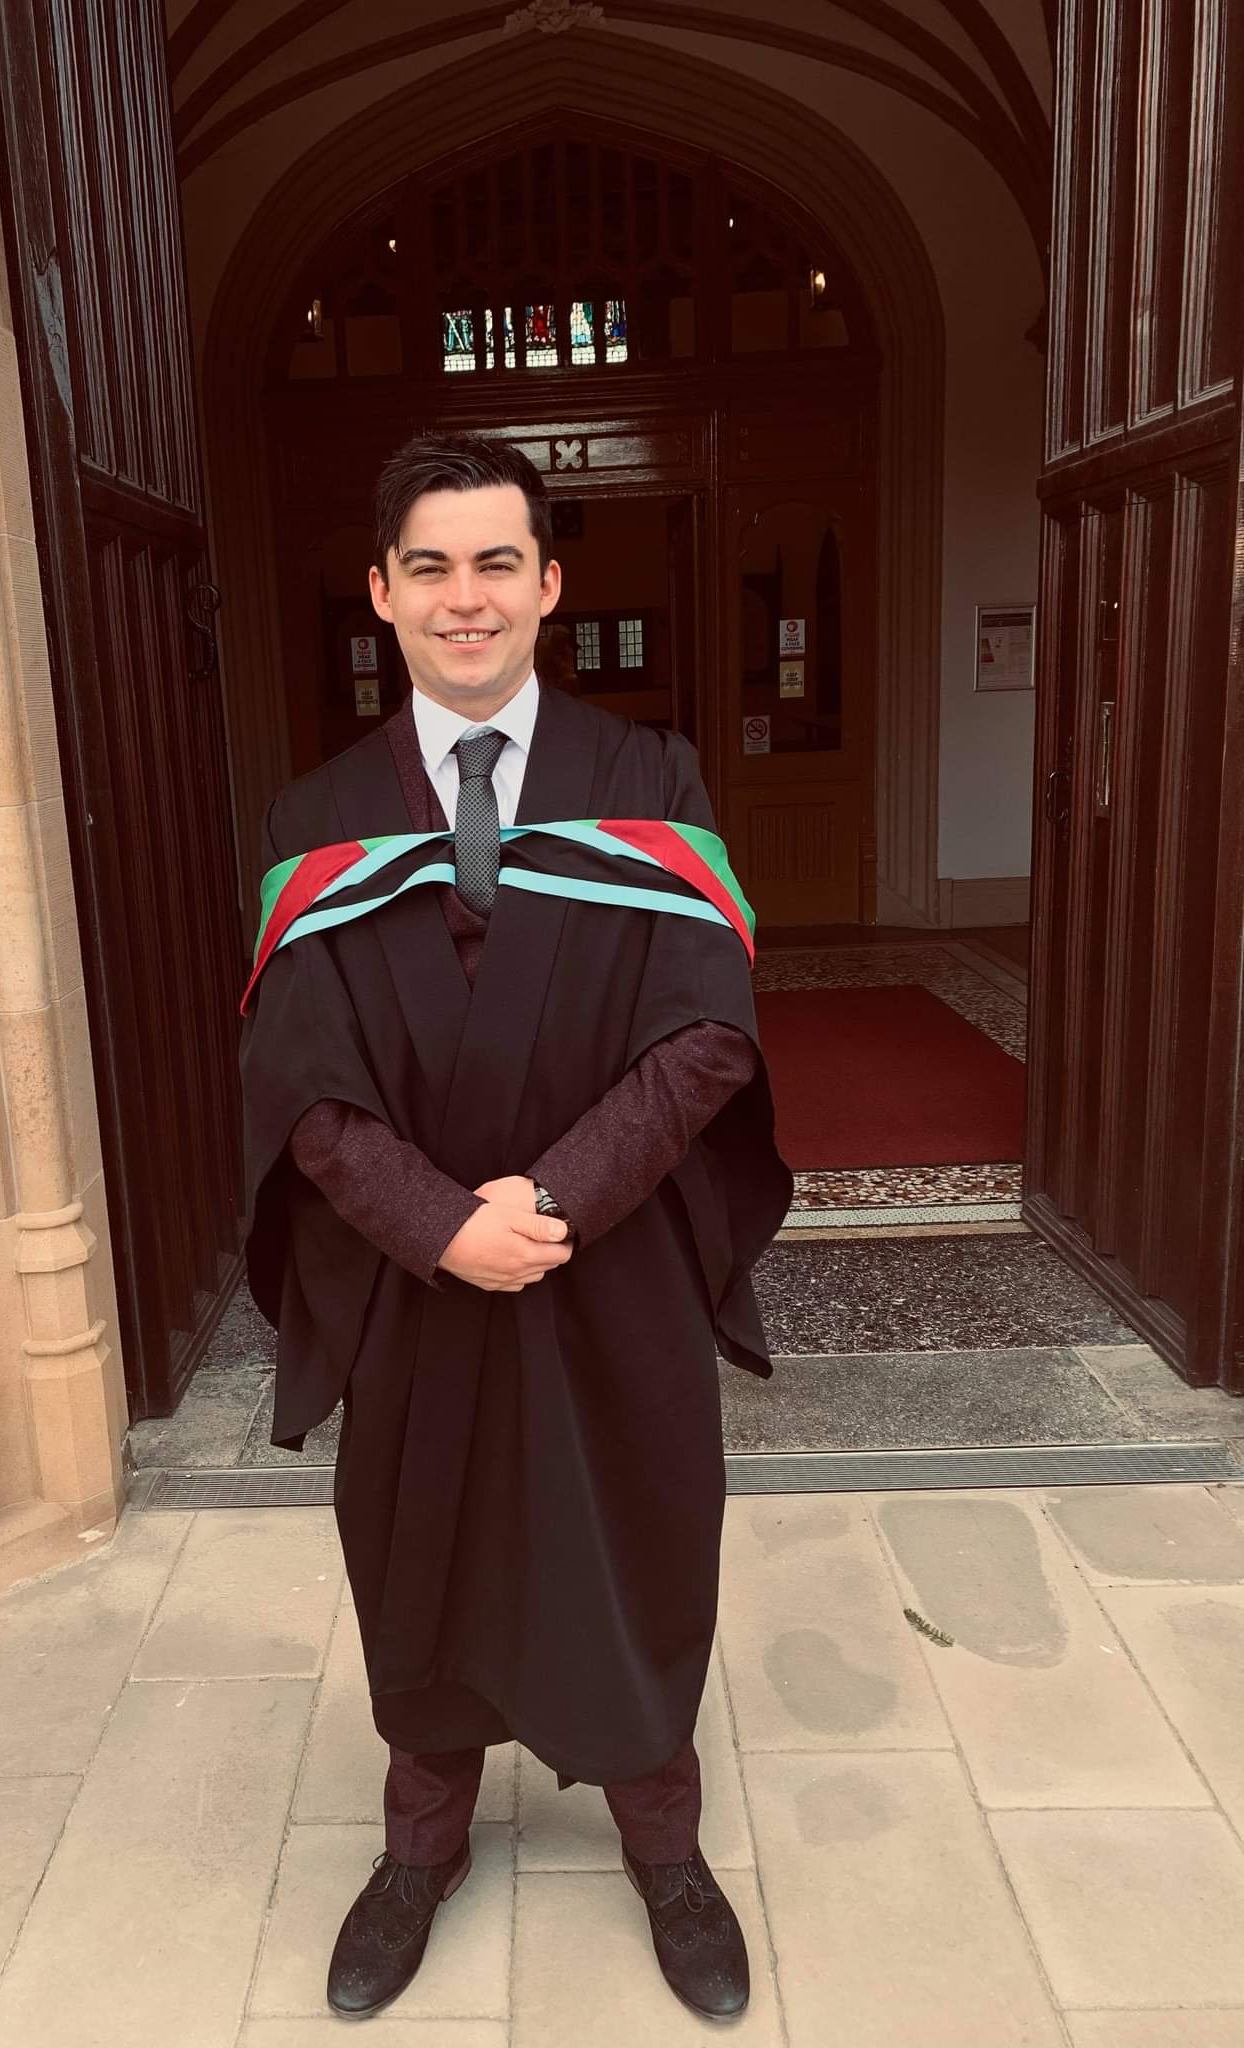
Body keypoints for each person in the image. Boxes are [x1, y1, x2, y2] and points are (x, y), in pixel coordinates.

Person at [239, 432, 791, 2023]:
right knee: (417, 1554)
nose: (464, 597)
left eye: (496, 563)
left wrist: (548, 1203)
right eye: (430, 565)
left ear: (551, 585)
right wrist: (436, 1226)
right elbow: (301, 1088)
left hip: (601, 1263)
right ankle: (422, 1847)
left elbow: (708, 1036)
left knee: (634, 1539)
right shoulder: (321, 814)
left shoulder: (651, 786)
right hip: (419, 1285)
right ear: (380, 593)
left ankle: (665, 1850)